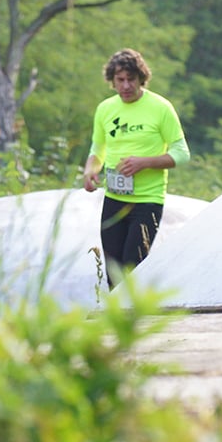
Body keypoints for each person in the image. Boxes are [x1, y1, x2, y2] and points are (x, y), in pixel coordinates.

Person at [82, 48, 189, 289]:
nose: (126, 86)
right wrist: (90, 171)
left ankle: (136, 322)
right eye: (120, 80)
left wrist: (144, 162)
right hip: (114, 199)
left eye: (131, 79)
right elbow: (98, 150)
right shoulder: (105, 109)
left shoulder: (160, 107)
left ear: (142, 78)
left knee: (132, 269)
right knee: (112, 271)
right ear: (112, 81)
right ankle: (117, 324)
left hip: (147, 201)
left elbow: (182, 154)